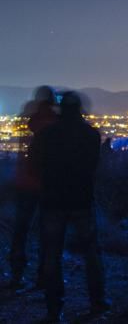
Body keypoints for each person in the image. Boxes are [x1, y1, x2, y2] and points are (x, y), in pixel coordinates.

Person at [35, 90, 108, 321]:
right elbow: (93, 167)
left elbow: (36, 163)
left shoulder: (46, 135)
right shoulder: (90, 135)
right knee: (91, 253)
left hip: (52, 201)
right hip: (81, 200)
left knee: (52, 255)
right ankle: (97, 301)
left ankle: (54, 308)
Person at [8, 86, 58, 291]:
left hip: (24, 183)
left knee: (21, 231)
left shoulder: (28, 121)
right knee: (47, 234)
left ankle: (17, 274)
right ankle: (43, 277)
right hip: (48, 186)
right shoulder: (55, 125)